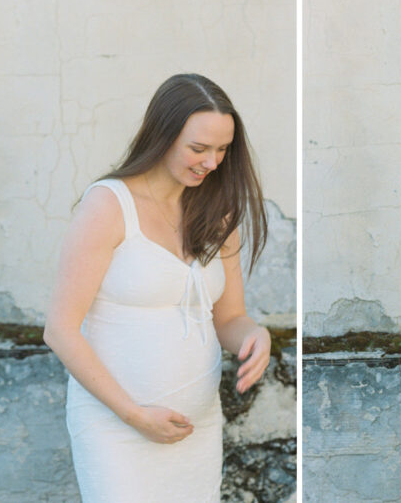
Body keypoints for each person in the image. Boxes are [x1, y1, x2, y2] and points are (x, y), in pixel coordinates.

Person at [43, 73, 272, 502]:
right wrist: (135, 415)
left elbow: (228, 319)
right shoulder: (109, 205)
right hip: (116, 427)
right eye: (199, 148)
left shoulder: (218, 214)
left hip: (195, 428)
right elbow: (59, 330)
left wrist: (256, 336)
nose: (212, 162)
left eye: (223, 150)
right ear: (162, 135)